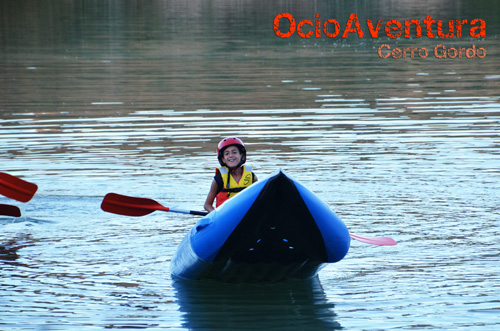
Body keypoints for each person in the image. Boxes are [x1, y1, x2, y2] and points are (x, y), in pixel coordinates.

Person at [204, 137, 257, 212]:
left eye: (234, 152)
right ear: (223, 159)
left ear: (242, 155)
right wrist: (216, 214)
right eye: (227, 153)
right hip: (225, 217)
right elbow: (207, 205)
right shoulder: (219, 179)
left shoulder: (252, 177)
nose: (231, 155)